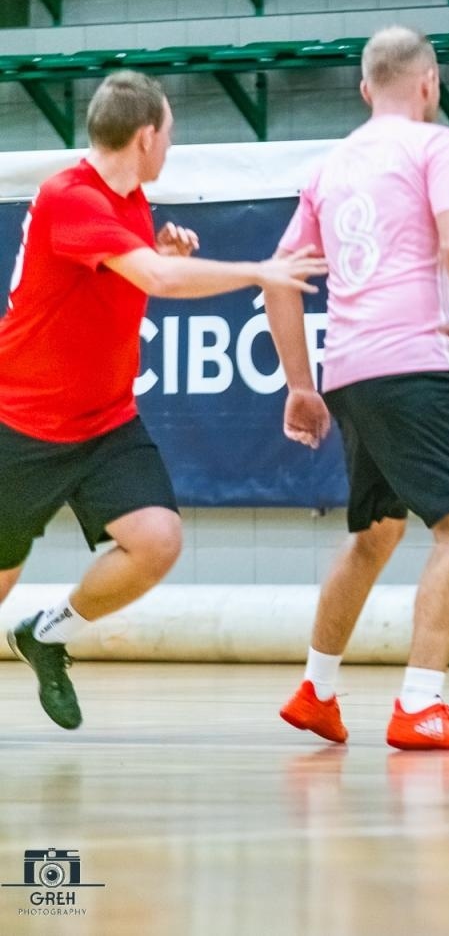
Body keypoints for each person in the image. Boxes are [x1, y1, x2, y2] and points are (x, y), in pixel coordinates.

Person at [0, 71, 325, 729]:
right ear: (146, 135)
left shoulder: (130, 200)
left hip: (104, 421)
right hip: (21, 422)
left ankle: (48, 633)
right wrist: (257, 269)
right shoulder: (71, 196)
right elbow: (157, 279)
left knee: (157, 540)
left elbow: (126, 278)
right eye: (170, 132)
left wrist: (156, 249)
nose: (171, 143)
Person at [266, 27, 449, 751]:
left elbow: (279, 281)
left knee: (374, 533)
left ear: (366, 89)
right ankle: (422, 703)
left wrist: (300, 387)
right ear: (430, 85)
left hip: (348, 371)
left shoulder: (330, 165)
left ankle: (317, 688)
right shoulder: (438, 147)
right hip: (413, 362)